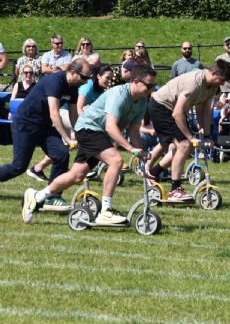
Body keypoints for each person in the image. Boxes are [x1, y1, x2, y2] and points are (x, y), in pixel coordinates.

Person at [22, 64, 157, 225]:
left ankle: (37, 196)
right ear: (135, 81)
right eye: (149, 85)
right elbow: (111, 127)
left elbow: (134, 130)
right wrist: (130, 148)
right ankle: (105, 211)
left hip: (99, 133)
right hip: (89, 129)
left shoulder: (142, 101)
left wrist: (140, 151)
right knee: (116, 161)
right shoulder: (119, 95)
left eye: (153, 85)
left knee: (76, 175)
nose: (152, 89)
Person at [0, 60, 91, 208]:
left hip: (44, 126)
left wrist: (80, 136)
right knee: (18, 166)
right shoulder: (55, 81)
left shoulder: (74, 87)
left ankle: (52, 197)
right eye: (84, 77)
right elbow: (54, 114)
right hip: (26, 123)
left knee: (61, 154)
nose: (86, 81)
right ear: (73, 72)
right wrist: (68, 139)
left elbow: (74, 116)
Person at [146, 60, 230, 202]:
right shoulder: (194, 83)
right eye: (221, 80)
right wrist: (190, 137)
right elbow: (177, 113)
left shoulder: (212, 86)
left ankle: (154, 173)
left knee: (188, 147)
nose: (222, 84)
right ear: (214, 73)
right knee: (185, 144)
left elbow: (204, 109)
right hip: (161, 107)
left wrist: (206, 135)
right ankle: (175, 190)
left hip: (173, 110)